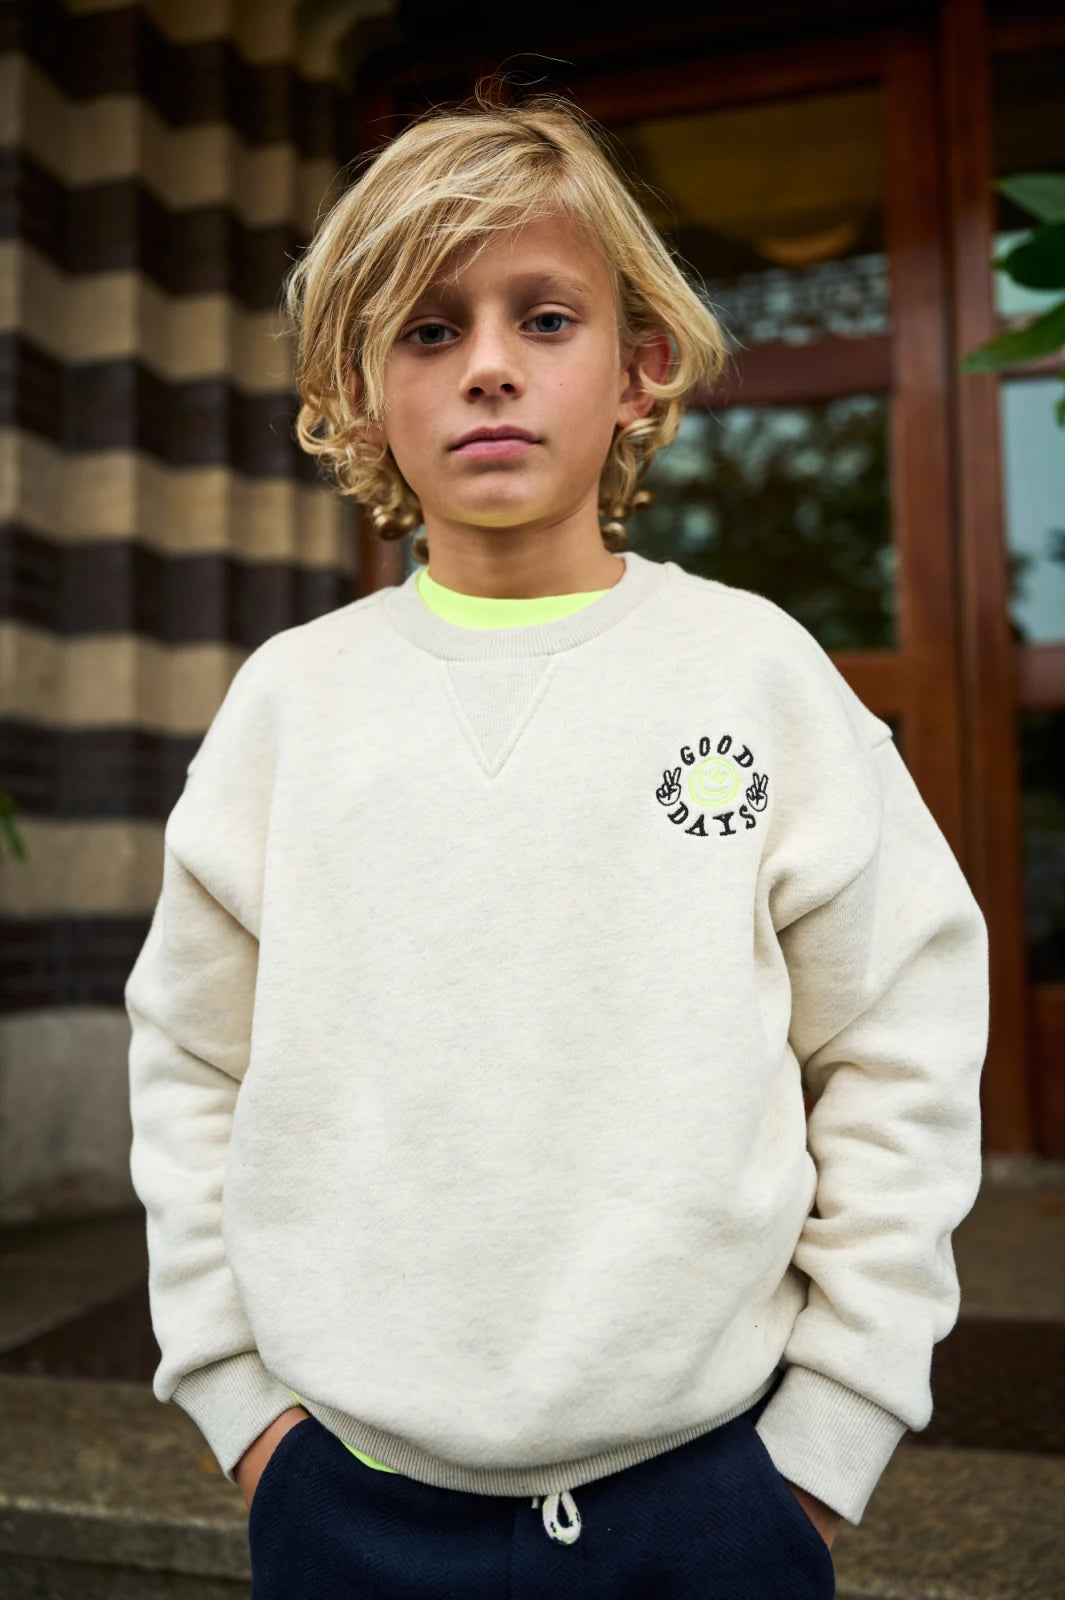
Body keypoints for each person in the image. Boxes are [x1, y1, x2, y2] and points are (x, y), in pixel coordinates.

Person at [124, 80, 989, 1600]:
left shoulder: (755, 675)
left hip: (713, 1497)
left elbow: (898, 1042)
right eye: (428, 329)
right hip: (346, 1500)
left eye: (543, 318)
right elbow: (191, 1060)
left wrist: (829, 1435)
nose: (487, 371)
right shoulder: (290, 706)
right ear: (355, 385)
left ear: (640, 368)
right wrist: (239, 1403)